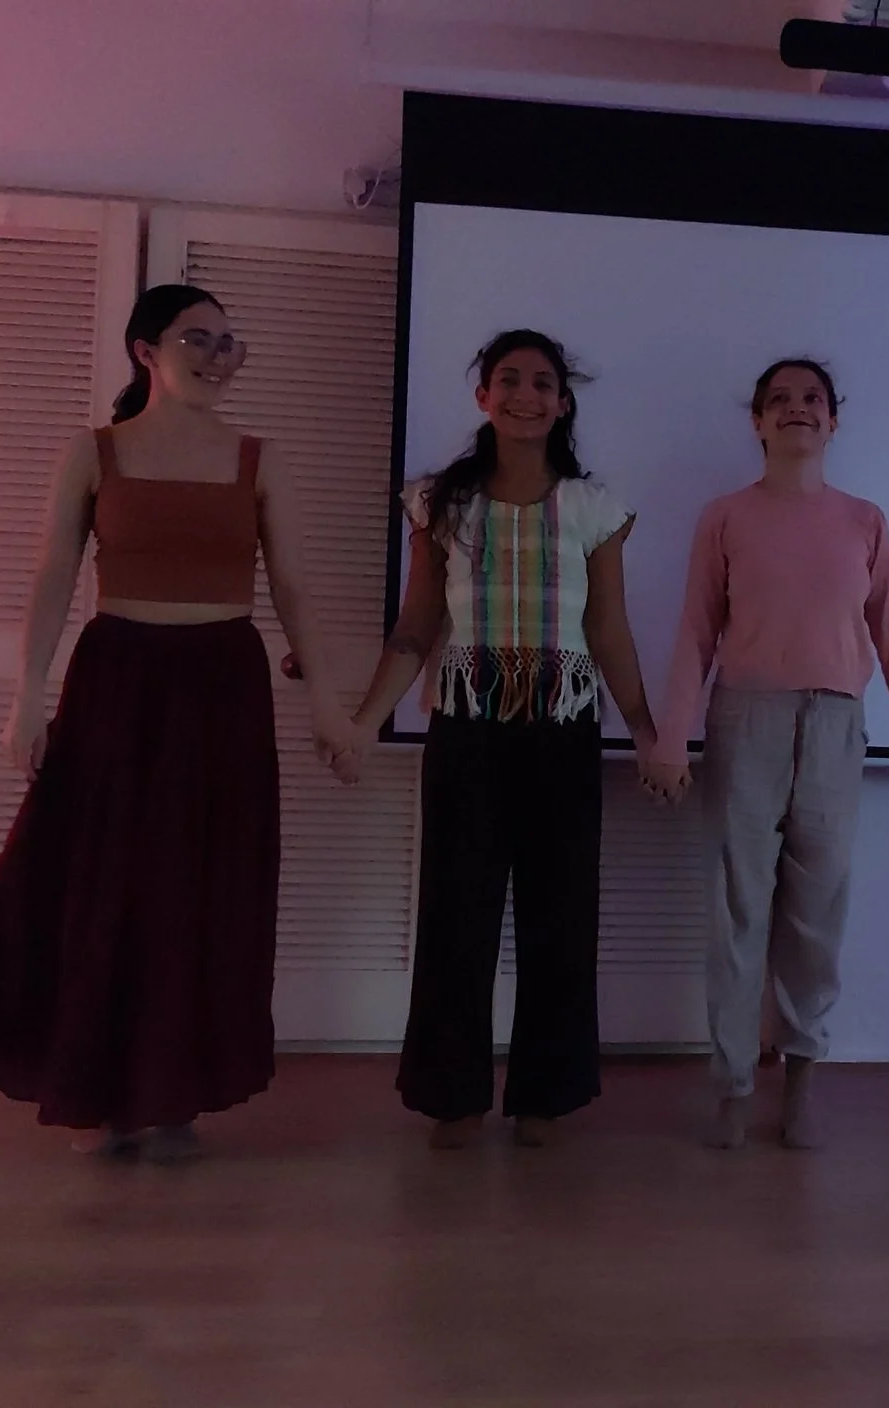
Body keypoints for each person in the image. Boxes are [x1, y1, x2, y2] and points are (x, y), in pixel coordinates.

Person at [0, 284, 361, 1163]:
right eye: (197, 338)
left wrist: (324, 700)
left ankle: (177, 1095)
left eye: (231, 343)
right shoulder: (93, 453)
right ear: (146, 351)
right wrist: (27, 696)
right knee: (107, 884)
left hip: (223, 688)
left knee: (203, 886)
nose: (216, 356)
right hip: (118, 682)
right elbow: (54, 574)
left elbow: (295, 588)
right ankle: (107, 1089)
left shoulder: (257, 457)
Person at [352, 329, 660, 1149]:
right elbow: (416, 629)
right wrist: (359, 720)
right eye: (509, 380)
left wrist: (650, 734)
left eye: (543, 383)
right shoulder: (442, 504)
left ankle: (544, 1098)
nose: (527, 394)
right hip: (469, 734)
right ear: (484, 396)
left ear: (563, 403)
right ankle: (451, 1097)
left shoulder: (595, 508)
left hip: (562, 734)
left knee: (562, 918)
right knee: (457, 914)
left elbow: (610, 633)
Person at [642, 359, 889, 1151]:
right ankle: (733, 1085)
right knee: (739, 908)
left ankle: (804, 1078)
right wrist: (671, 738)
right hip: (745, 722)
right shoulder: (725, 518)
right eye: (778, 401)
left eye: (811, 399)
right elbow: (694, 634)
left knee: (816, 917)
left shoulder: (865, 521)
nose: (796, 411)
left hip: (834, 727)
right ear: (756, 422)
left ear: (834, 421)